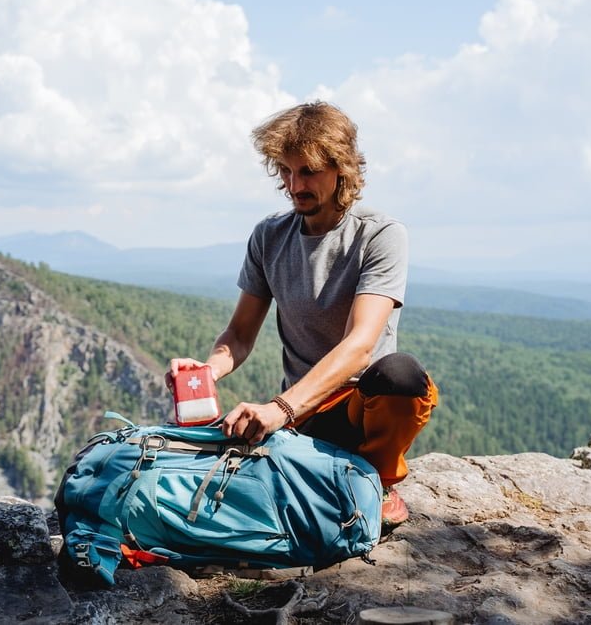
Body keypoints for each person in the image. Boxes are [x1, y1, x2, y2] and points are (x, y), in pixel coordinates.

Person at [165, 101, 438, 530]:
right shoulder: (270, 236)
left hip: (358, 406)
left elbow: (360, 344)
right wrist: (210, 369)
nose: (295, 185)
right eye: (286, 172)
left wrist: (279, 409)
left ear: (340, 167)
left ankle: (377, 480)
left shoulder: (380, 235)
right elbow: (239, 332)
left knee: (400, 376)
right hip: (305, 417)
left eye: (308, 171)